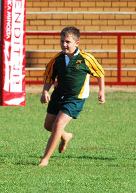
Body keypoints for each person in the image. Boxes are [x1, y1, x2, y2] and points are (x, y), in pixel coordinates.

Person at [39, 26, 105, 167]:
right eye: (62, 41)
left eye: (68, 42)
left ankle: (45, 159)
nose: (64, 44)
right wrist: (45, 91)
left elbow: (100, 73)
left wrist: (101, 91)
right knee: (48, 125)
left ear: (77, 43)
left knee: (58, 124)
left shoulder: (86, 58)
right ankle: (65, 136)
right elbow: (49, 77)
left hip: (75, 98)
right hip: (58, 95)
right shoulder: (57, 59)